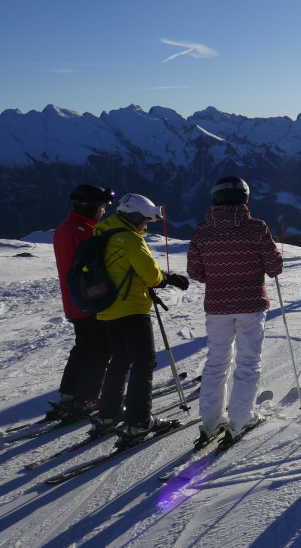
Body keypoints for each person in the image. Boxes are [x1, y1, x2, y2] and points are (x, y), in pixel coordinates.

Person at [187, 176, 283, 445]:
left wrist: (218, 276)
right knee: (248, 362)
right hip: (251, 305)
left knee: (216, 362)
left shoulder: (201, 231)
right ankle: (240, 419)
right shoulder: (256, 228)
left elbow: (195, 271)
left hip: (217, 306)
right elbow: (274, 267)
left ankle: (210, 420)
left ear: (215, 198)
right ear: (245, 198)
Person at [90, 193, 190, 445]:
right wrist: (168, 279)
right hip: (132, 309)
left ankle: (108, 416)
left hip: (106, 308)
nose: (146, 225)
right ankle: (139, 422)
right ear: (135, 217)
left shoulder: (102, 234)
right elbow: (151, 276)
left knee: (120, 360)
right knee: (144, 363)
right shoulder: (130, 239)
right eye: (145, 220)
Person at [49, 184, 116, 422]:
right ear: (90, 207)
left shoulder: (65, 227)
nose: (104, 211)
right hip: (90, 299)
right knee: (101, 347)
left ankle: (69, 396)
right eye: (102, 207)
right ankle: (87, 398)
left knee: (84, 346)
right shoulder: (86, 231)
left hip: (74, 300)